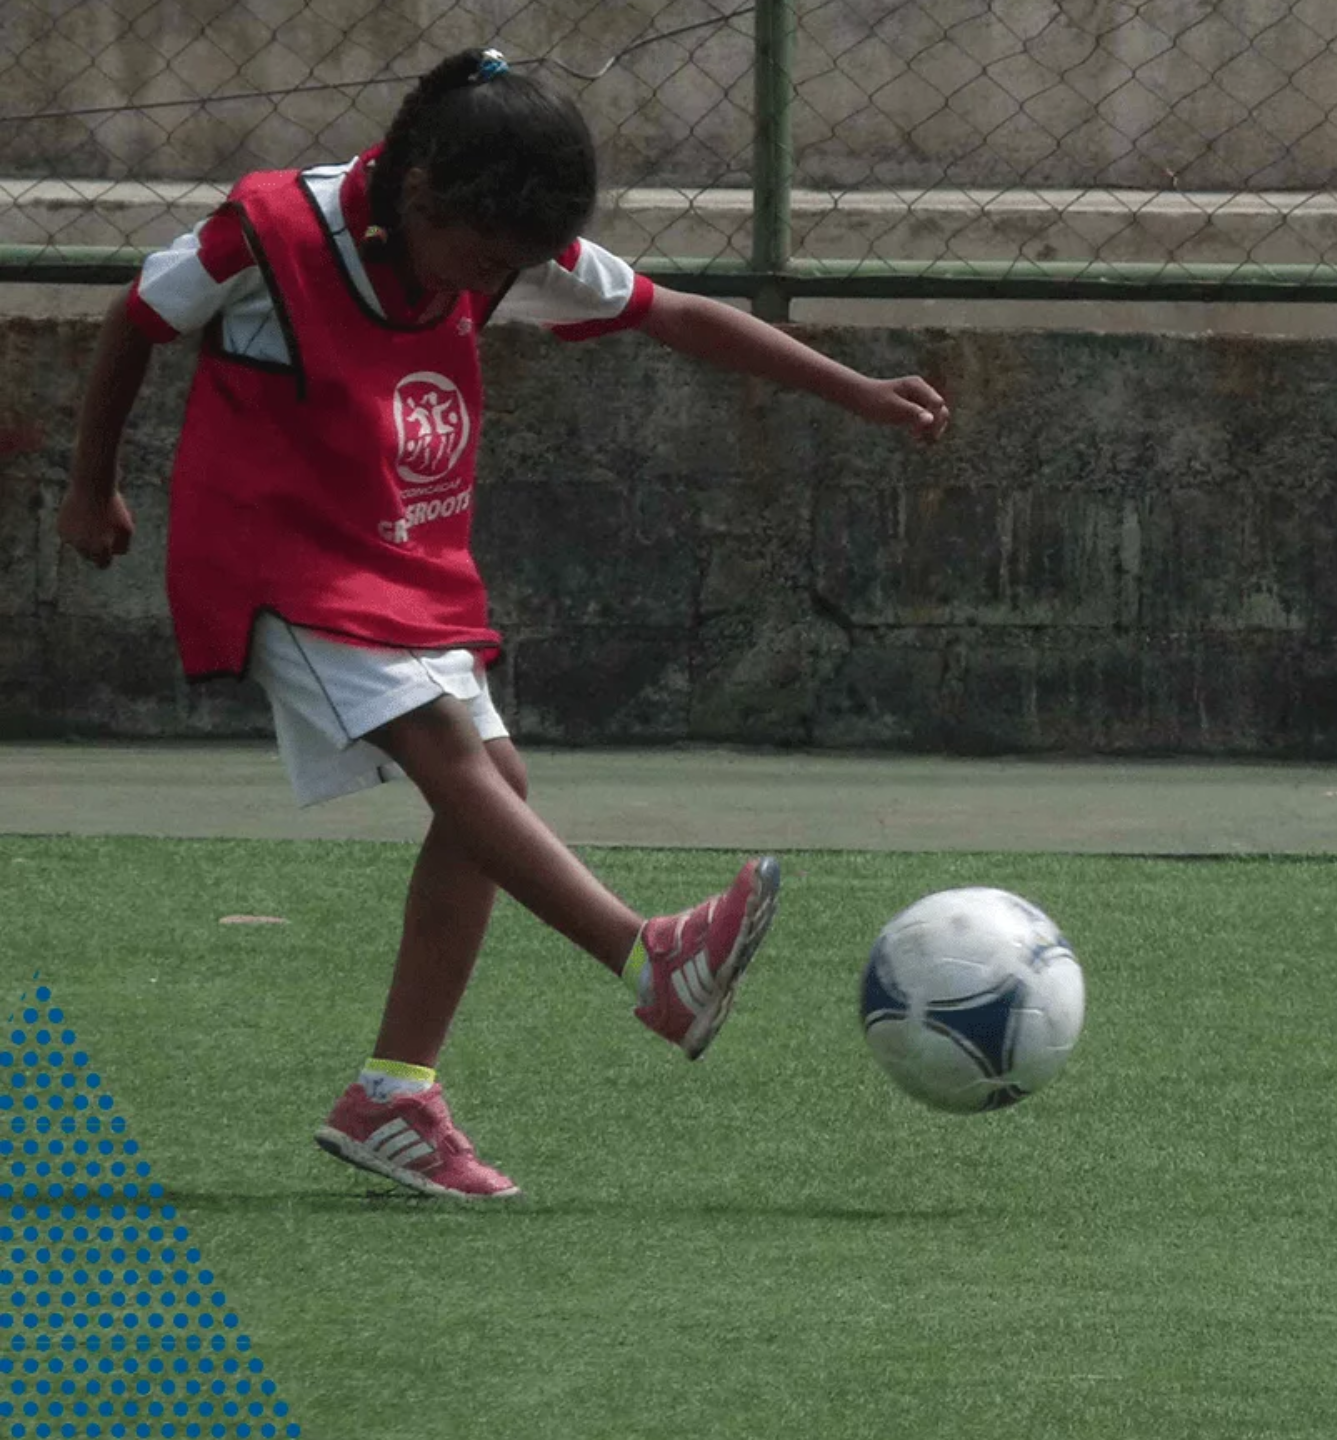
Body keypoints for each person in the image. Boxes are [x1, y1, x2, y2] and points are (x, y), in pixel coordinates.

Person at [54, 46, 951, 1202]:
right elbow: (135, 320)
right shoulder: (267, 233)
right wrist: (90, 486)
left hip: (399, 557)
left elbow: (667, 310)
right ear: (421, 195)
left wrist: (858, 390)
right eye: (483, 265)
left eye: (512, 271)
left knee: (495, 793)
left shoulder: (491, 239)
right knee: (443, 752)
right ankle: (649, 960)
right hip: (275, 555)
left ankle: (391, 1095)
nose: (488, 287)